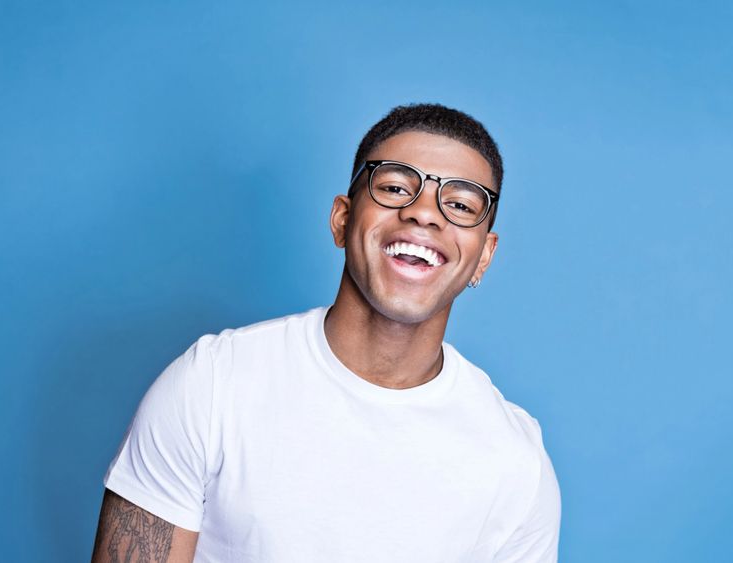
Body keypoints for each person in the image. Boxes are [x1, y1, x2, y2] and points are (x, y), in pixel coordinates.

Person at [92, 103, 561, 563]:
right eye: (395, 188)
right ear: (342, 219)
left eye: (459, 205)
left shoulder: (516, 461)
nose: (424, 213)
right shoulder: (213, 385)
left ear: (483, 257)